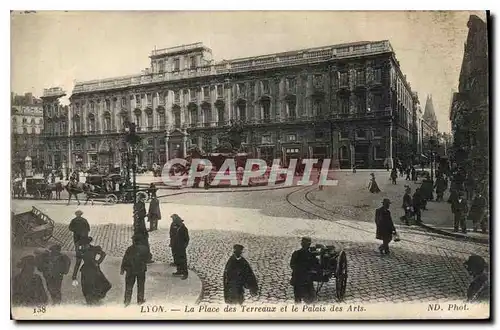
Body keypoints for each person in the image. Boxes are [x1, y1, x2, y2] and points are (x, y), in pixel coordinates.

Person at [71, 236, 111, 305]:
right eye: (82, 245)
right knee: (87, 289)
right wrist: (74, 276)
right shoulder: (81, 251)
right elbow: (77, 264)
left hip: (95, 270)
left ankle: (96, 298)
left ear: (88, 244)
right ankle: (90, 303)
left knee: (105, 285)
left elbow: (103, 254)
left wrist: (98, 262)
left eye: (85, 244)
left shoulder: (94, 249)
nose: (83, 246)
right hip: (86, 271)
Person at [121, 235, 150, 306]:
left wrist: (122, 268)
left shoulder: (129, 249)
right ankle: (140, 300)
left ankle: (127, 301)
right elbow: (148, 258)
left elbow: (125, 259)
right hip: (141, 270)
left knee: (129, 286)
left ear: (134, 241)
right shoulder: (145, 249)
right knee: (140, 285)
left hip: (130, 270)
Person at [290, 237, 320, 304]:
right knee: (310, 299)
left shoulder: (297, 253)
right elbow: (316, 266)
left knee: (298, 299)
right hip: (304, 280)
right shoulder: (310, 255)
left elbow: (292, 265)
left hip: (299, 280)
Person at [170, 214, 190, 280]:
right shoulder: (173, 225)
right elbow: (171, 235)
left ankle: (185, 273)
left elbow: (187, 238)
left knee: (183, 260)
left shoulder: (183, 228)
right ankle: (179, 270)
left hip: (181, 247)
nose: (173, 221)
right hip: (174, 245)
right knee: (176, 258)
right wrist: (171, 243)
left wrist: (184, 246)